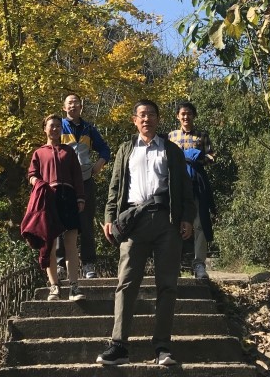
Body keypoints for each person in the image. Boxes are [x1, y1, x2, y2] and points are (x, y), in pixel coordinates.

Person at [96, 100, 195, 367]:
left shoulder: (171, 150)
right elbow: (115, 186)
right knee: (126, 283)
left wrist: (187, 218)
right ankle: (119, 345)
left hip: (167, 221)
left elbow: (185, 188)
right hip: (134, 222)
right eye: (142, 115)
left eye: (151, 114)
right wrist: (109, 218)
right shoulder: (126, 149)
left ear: (158, 119)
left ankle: (162, 346)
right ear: (134, 120)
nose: (147, 119)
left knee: (167, 285)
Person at [27, 114, 86, 301]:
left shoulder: (69, 151)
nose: (55, 129)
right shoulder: (38, 153)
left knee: (71, 245)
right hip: (48, 198)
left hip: (69, 197)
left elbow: (77, 176)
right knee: (50, 244)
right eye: (51, 125)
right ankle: (54, 287)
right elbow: (32, 174)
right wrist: (38, 182)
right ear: (45, 128)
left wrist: (80, 198)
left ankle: (74, 287)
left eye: (58, 126)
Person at [57, 93, 111, 279]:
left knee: (86, 223)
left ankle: (88, 264)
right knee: (61, 222)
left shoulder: (89, 128)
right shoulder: (59, 126)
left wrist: (99, 164)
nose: (73, 106)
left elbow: (104, 149)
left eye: (76, 103)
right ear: (64, 107)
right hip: (63, 182)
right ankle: (60, 264)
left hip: (85, 180)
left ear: (81, 106)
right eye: (69, 103)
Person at [169, 101, 215, 281]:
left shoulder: (202, 135)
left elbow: (212, 156)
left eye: (189, 113)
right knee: (173, 223)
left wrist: (197, 156)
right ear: (177, 116)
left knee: (199, 223)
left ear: (194, 116)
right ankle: (173, 265)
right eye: (183, 114)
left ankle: (199, 264)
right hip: (175, 185)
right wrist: (184, 156)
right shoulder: (171, 136)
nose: (186, 117)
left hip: (197, 184)